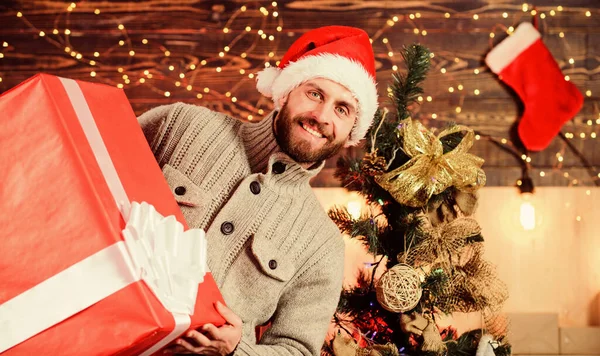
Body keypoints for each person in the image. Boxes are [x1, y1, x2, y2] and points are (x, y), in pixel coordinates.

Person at [138, 25, 379, 356]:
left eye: (342, 109)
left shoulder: (322, 246)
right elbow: (91, 170)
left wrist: (237, 349)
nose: (322, 116)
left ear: (351, 130)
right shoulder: (180, 126)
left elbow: (297, 350)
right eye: (315, 93)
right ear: (286, 93)